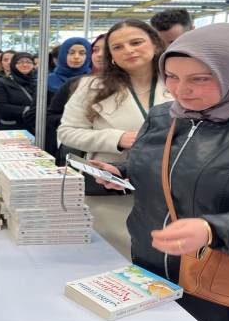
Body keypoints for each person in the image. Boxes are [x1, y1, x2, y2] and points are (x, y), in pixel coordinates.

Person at [90, 23, 229, 321]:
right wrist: (121, 173)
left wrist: (213, 229)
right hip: (152, 265)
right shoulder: (166, 115)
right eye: (172, 77)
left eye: (199, 79)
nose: (181, 90)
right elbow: (166, 166)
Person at [58, 19, 172, 194]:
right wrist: (116, 139)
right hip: (110, 186)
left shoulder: (179, 83)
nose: (128, 50)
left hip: (168, 183)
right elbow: (67, 132)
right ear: (110, 55)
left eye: (136, 42)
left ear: (155, 45)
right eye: (117, 47)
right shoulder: (92, 87)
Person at [27, 37, 92, 157]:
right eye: (71, 52)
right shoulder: (46, 82)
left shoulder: (95, 81)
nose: (77, 57)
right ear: (62, 55)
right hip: (52, 138)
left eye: (82, 53)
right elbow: (33, 114)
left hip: (88, 139)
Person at [0, 52, 37, 132]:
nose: (25, 65)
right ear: (13, 64)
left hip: (33, 128)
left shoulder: (37, 82)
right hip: (11, 129)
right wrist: (29, 110)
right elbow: (0, 107)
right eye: (20, 62)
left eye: (29, 62)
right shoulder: (2, 83)